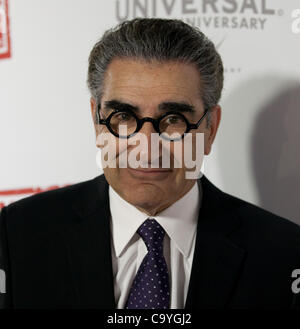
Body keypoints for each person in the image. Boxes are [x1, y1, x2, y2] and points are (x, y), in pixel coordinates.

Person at [0, 18, 299, 309]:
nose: (147, 150)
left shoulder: (285, 255)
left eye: (173, 120)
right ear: (96, 121)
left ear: (210, 128)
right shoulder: (16, 237)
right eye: (123, 117)